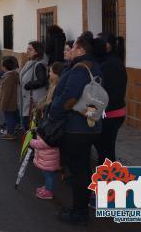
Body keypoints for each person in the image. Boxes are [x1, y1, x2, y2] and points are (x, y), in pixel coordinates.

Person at [49, 35, 102, 225]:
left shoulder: (80, 70)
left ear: (80, 50)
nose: (69, 51)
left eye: (72, 48)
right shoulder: (94, 67)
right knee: (82, 170)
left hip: (76, 128)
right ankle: (80, 208)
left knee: (79, 172)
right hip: (88, 126)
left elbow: (68, 98)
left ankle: (79, 213)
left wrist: (53, 112)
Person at [94, 32, 127, 165]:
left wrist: (90, 113)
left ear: (107, 46)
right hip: (111, 113)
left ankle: (109, 183)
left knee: (106, 153)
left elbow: (105, 94)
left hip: (110, 114)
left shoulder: (110, 64)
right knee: (105, 151)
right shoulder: (108, 61)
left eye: (97, 42)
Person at [19, 41, 48, 130]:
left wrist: (29, 85)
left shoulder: (39, 65)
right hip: (28, 103)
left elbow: (42, 80)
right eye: (27, 49)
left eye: (30, 49)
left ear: (37, 52)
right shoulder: (31, 63)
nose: (27, 51)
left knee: (31, 130)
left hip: (33, 104)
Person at [29, 134, 61, 200]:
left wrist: (32, 142)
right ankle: (47, 187)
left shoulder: (51, 133)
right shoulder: (50, 129)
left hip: (50, 159)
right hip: (47, 158)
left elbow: (44, 143)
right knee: (47, 174)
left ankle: (49, 191)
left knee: (49, 175)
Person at [0, 56, 19, 140]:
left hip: (8, 103)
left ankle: (10, 133)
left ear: (4, 67)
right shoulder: (13, 75)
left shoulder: (8, 78)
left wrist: (3, 105)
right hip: (12, 101)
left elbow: (6, 93)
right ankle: (11, 131)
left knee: (9, 118)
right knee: (11, 117)